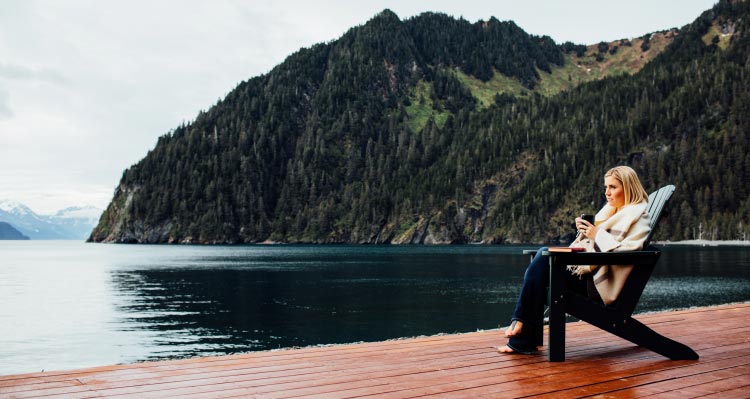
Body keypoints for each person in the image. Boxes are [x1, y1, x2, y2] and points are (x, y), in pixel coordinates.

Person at [499, 166, 652, 354]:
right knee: (542, 261)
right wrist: (584, 234)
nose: (607, 192)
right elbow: (595, 246)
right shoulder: (610, 213)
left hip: (599, 285)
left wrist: (596, 234)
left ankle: (520, 327)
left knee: (543, 258)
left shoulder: (639, 217)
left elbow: (629, 253)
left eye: (613, 187)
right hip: (590, 274)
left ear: (628, 188)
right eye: (605, 187)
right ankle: (522, 334)